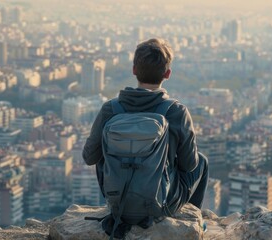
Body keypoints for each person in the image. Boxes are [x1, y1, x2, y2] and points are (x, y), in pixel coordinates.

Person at [82, 38, 208, 215]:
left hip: (117, 200)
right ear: (167, 74)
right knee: (202, 161)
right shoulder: (176, 112)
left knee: (102, 151)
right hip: (161, 203)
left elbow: (89, 157)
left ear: (134, 70)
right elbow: (189, 165)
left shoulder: (110, 109)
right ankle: (194, 217)